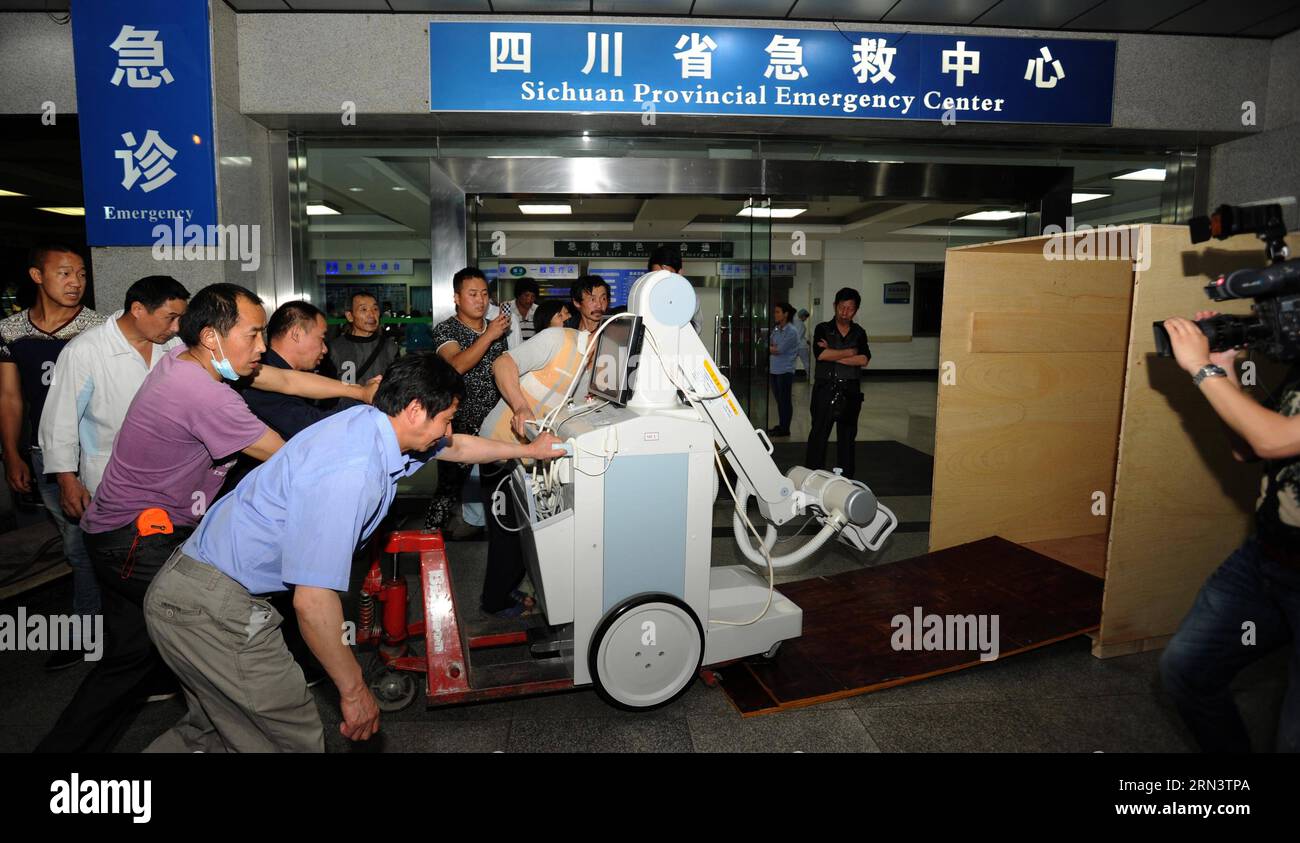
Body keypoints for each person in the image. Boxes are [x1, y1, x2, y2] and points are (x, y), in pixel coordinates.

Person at [143, 354, 562, 752]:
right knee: (290, 737)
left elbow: (456, 448)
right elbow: (312, 600)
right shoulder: (351, 470)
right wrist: (355, 689)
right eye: (446, 419)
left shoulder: (373, 425)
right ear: (416, 410)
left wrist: (529, 451)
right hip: (212, 608)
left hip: (195, 593)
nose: (447, 430)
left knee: (211, 734)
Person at [34, 283, 377, 753]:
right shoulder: (203, 394)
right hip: (138, 540)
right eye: (254, 335)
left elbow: (288, 381)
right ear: (214, 337)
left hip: (116, 534)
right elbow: (291, 462)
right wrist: (371, 450)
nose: (263, 347)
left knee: (134, 661)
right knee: (221, 619)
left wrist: (359, 393)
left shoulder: (187, 356)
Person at [1159, 310, 1300, 753]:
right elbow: (1247, 447)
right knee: (1188, 670)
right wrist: (1226, 368)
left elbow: (1273, 440)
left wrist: (1203, 369)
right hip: (1268, 562)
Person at [0, 244, 106, 670]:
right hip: (44, 454)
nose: (76, 281)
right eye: (64, 273)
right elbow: (10, 398)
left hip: (94, 452)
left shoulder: (98, 327)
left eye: (81, 273)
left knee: (91, 546)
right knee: (75, 544)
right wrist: (12, 454)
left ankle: (97, 632)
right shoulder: (11, 331)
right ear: (37, 276)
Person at [478, 298, 595, 617]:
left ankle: (512, 588)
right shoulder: (557, 339)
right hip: (500, 446)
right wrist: (520, 406)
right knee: (507, 531)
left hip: (531, 454)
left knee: (526, 528)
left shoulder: (592, 370)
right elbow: (502, 364)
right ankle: (494, 601)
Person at [425, 267, 510, 538]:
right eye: (472, 294)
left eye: (485, 294)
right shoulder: (446, 329)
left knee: (496, 481)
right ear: (457, 298)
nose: (481, 300)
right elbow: (456, 366)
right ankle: (429, 538)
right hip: (459, 422)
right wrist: (488, 336)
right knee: (449, 486)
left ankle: (490, 533)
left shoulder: (496, 330)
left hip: (494, 418)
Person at [804, 287, 872, 479]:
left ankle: (847, 479)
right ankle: (812, 476)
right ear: (835, 306)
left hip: (850, 390)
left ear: (856, 311)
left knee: (848, 437)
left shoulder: (859, 333)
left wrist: (834, 354)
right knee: (819, 434)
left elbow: (864, 359)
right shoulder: (823, 329)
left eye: (850, 309)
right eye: (842, 307)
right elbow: (821, 355)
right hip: (826, 388)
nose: (845, 312)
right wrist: (850, 352)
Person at [327, 291, 401, 401]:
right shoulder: (334, 349)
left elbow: (398, 386)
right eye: (364, 309)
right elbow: (327, 390)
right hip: (346, 414)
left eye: (375, 309)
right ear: (350, 316)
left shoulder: (390, 348)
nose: (371, 314)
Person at [768, 301, 800, 437]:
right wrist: (771, 348)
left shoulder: (791, 331)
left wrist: (770, 348)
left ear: (785, 314)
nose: (775, 314)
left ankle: (785, 428)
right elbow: (770, 344)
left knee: (785, 401)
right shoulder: (776, 329)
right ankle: (781, 425)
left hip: (785, 371)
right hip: (774, 370)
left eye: (777, 312)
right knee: (779, 401)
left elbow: (779, 349)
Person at [501, 276, 539, 349]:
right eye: (526, 295)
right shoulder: (507, 308)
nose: (529, 300)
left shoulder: (538, 310)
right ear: (518, 294)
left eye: (533, 296)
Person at [795, 308, 811, 375]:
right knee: (806, 362)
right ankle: (810, 376)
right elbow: (799, 336)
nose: (806, 319)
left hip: (795, 347)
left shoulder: (794, 322)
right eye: (806, 317)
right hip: (801, 347)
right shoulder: (801, 324)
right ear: (803, 316)